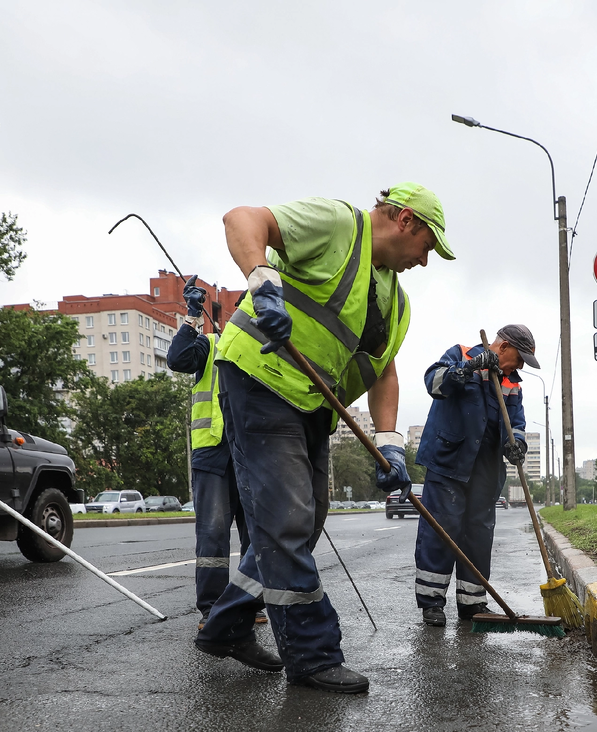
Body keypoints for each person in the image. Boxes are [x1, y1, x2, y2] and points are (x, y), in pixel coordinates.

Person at [195, 182, 454, 693]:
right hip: (261, 379)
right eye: (428, 246)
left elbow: (385, 375)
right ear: (404, 220)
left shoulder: (396, 303)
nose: (425, 262)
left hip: (313, 405)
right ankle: (312, 656)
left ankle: (225, 625)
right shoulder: (339, 224)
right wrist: (263, 282)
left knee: (306, 521)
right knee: (287, 520)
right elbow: (241, 219)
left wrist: (390, 443)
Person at [412, 325, 537, 627]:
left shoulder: (511, 382)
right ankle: (431, 603)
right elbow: (433, 383)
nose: (519, 367)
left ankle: (472, 603)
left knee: (478, 536)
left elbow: (516, 421)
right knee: (441, 532)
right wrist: (469, 367)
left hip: (485, 471)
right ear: (504, 347)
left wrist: (517, 442)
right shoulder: (460, 355)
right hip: (449, 462)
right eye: (519, 359)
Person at [165, 280, 260, 631]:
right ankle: (212, 610)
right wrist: (191, 316)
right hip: (213, 452)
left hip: (251, 454)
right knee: (213, 534)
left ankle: (251, 603)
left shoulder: (266, 349)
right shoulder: (212, 343)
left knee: (258, 534)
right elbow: (177, 359)